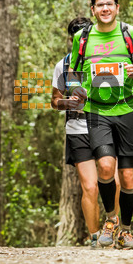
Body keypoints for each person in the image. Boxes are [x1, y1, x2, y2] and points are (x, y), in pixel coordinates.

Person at [69, 0, 133, 249]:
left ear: (117, 7)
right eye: (100, 5)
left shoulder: (131, 34)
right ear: (93, 10)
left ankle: (126, 231)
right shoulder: (82, 37)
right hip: (97, 111)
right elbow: (73, 72)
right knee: (104, 166)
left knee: (127, 177)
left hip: (127, 109)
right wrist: (76, 90)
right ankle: (111, 220)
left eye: (109, 4)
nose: (105, 8)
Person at [51, 17, 119, 247]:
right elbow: (54, 101)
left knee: (114, 181)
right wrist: (68, 103)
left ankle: (114, 229)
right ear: (71, 40)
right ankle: (94, 237)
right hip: (77, 130)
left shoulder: (106, 61)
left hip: (104, 125)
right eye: (77, 38)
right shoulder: (62, 66)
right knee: (90, 186)